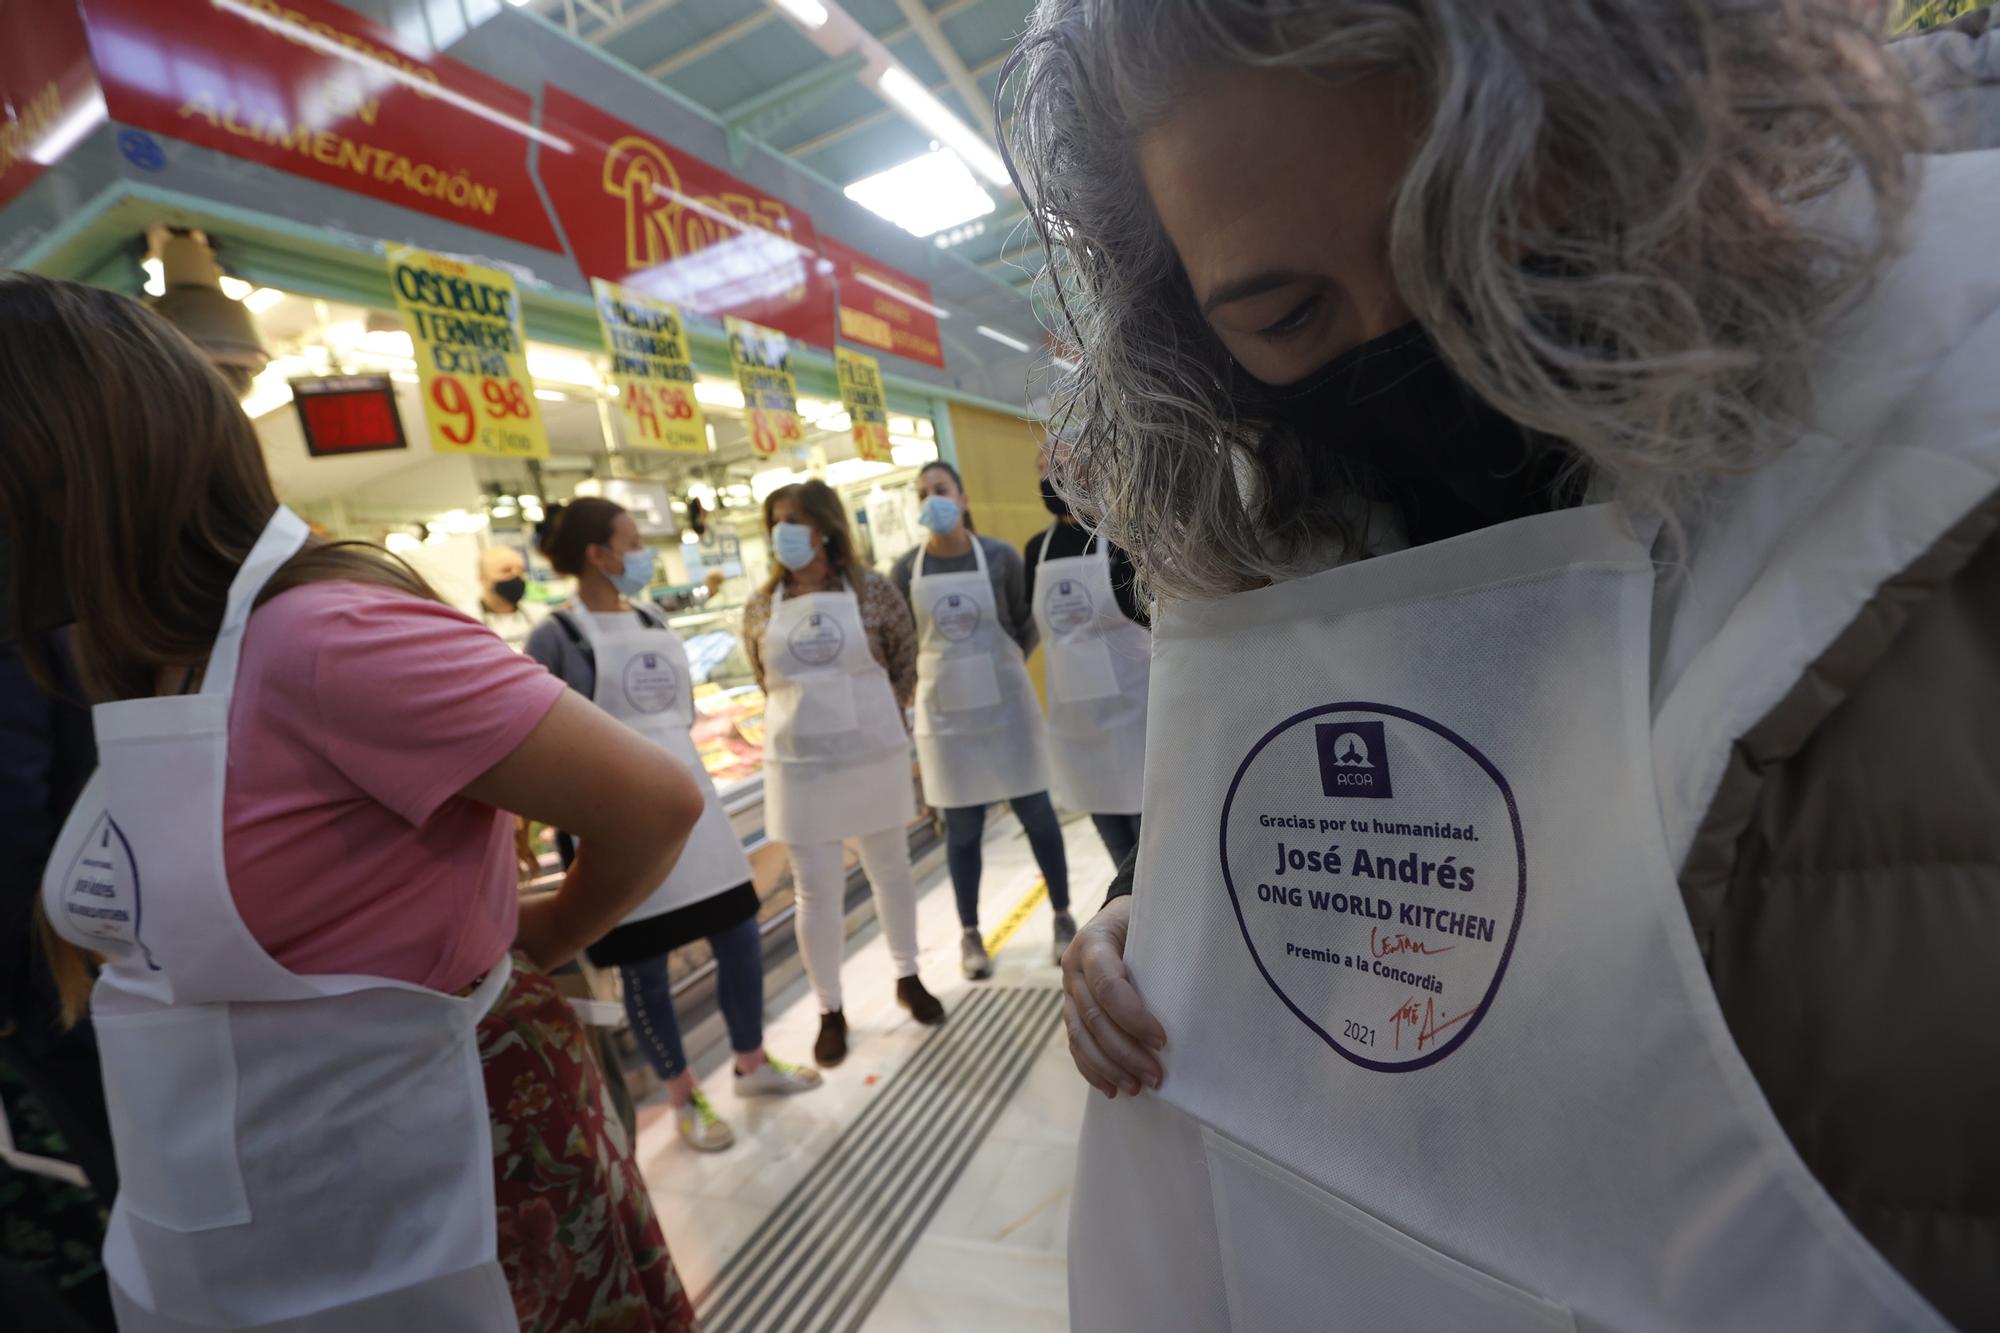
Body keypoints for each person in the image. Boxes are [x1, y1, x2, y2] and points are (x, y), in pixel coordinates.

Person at [1002, 3, 1997, 1330]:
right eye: (1288, 313)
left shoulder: (1950, 454)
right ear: (1187, 330)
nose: (1423, 341)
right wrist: (1192, 924)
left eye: (1483, 226)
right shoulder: (1291, 525)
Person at [3, 273, 707, 1331]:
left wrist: (544, 932)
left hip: (453, 1187)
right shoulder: (158, 664)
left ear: (67, 472)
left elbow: (652, 801)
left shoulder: (322, 638)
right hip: (265, 1209)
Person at [527, 497, 820, 1152]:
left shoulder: (654, 616)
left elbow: (681, 713)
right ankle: (684, 1093)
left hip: (694, 809)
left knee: (740, 935)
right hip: (612, 824)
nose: (644, 555)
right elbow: (541, 739)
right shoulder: (556, 636)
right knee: (645, 968)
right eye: (632, 542)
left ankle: (750, 1061)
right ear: (597, 555)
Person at [743, 480, 946, 1067]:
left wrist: (866, 720)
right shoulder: (761, 605)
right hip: (800, 764)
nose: (783, 531)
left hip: (869, 754)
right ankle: (830, 1008)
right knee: (815, 890)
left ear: (826, 528)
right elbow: (765, 678)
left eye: (794, 520)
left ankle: (908, 977)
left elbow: (905, 664)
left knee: (892, 871)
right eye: (775, 521)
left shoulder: (874, 591)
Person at [890, 462, 1075, 976]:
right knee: (963, 832)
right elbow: (906, 642)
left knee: (1038, 817)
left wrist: (998, 665)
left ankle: (1062, 915)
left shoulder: (999, 557)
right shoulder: (907, 569)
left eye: (941, 490)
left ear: (964, 498)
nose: (932, 500)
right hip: (947, 723)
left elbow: (1024, 621)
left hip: (1005, 712)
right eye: (922, 493)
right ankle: (970, 934)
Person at [1023, 447, 1150, 872]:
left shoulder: (1124, 538)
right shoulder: (1035, 550)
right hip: (1078, 731)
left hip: (1135, 724)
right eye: (1041, 468)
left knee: (1153, 855)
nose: (1048, 476)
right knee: (1117, 854)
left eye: (1057, 465)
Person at [473, 544, 545, 650]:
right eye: (506, 570)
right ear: (483, 579)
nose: (516, 576)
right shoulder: (469, 621)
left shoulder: (541, 615)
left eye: (521, 570)